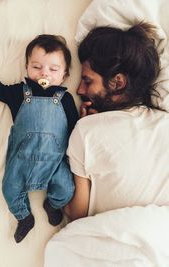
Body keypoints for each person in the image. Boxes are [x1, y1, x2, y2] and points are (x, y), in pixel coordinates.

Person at [0, 34, 78, 243]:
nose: (44, 73)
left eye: (53, 69)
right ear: (27, 68)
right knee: (9, 188)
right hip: (21, 159)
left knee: (66, 188)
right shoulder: (20, 93)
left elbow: (75, 127)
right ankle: (24, 216)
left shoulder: (65, 99)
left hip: (55, 161)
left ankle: (52, 203)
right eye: (37, 66)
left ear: (65, 75)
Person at [64, 22, 169, 221]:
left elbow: (77, 212)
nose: (79, 90)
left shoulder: (85, 130)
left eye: (87, 81)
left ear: (117, 82)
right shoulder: (165, 125)